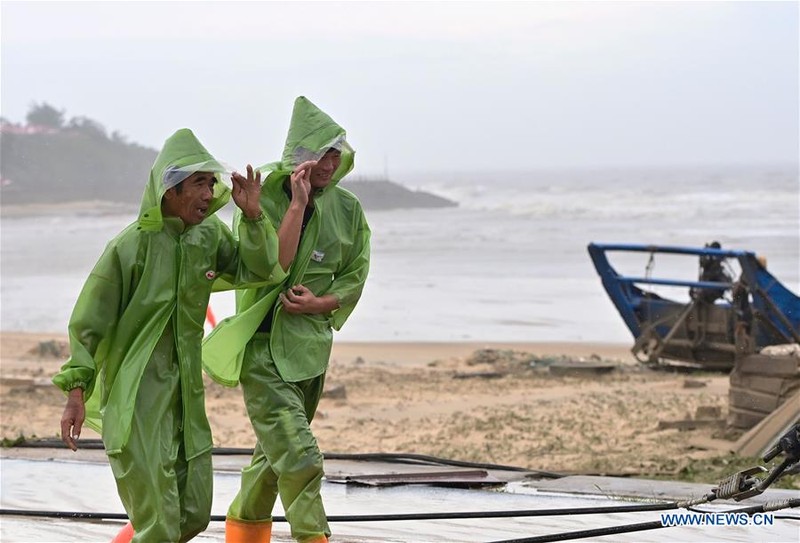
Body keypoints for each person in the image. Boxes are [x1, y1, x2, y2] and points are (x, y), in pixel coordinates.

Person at [53, 128, 288, 543]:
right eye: (200, 183)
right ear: (170, 189)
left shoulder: (210, 237)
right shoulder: (131, 247)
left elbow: (259, 269)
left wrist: (253, 216)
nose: (209, 193)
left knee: (192, 513)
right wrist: (76, 391)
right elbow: (89, 321)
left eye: (211, 183)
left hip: (186, 396)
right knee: (159, 523)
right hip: (137, 399)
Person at [203, 96, 371, 543]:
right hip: (263, 348)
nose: (331, 164)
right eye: (323, 154)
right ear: (301, 155)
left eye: (337, 154)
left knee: (272, 461)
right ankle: (314, 538)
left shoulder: (348, 208)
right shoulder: (261, 200)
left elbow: (357, 270)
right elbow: (272, 264)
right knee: (300, 458)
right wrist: (295, 204)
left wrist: (322, 303)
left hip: (311, 349)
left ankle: (243, 531)